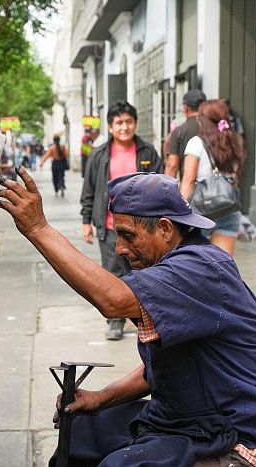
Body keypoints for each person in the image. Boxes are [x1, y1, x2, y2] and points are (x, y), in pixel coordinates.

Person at [0, 171, 256, 467]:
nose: (120, 248)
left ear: (166, 229)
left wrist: (38, 229)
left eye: (128, 236)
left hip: (245, 440)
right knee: (83, 435)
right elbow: (160, 369)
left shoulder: (199, 269)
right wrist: (101, 398)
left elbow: (112, 300)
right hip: (199, 420)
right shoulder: (176, 266)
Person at [80, 101, 162, 341]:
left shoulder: (147, 152)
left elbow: (159, 184)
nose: (124, 127)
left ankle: (148, 319)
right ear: (110, 126)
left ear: (135, 123)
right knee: (113, 275)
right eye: (119, 123)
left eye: (128, 122)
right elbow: (89, 190)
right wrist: (86, 221)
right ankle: (115, 321)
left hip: (143, 227)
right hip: (109, 227)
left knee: (146, 273)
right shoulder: (99, 155)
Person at [179, 100, 246, 256]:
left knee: (197, 269)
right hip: (228, 210)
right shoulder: (234, 142)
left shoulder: (196, 143)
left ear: (202, 120)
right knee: (221, 268)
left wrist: (179, 214)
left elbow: (188, 181)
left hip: (201, 213)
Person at [164, 88, 206, 180]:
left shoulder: (179, 131)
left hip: (190, 188)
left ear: (186, 108)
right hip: (216, 188)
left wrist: (166, 191)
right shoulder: (214, 129)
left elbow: (172, 165)